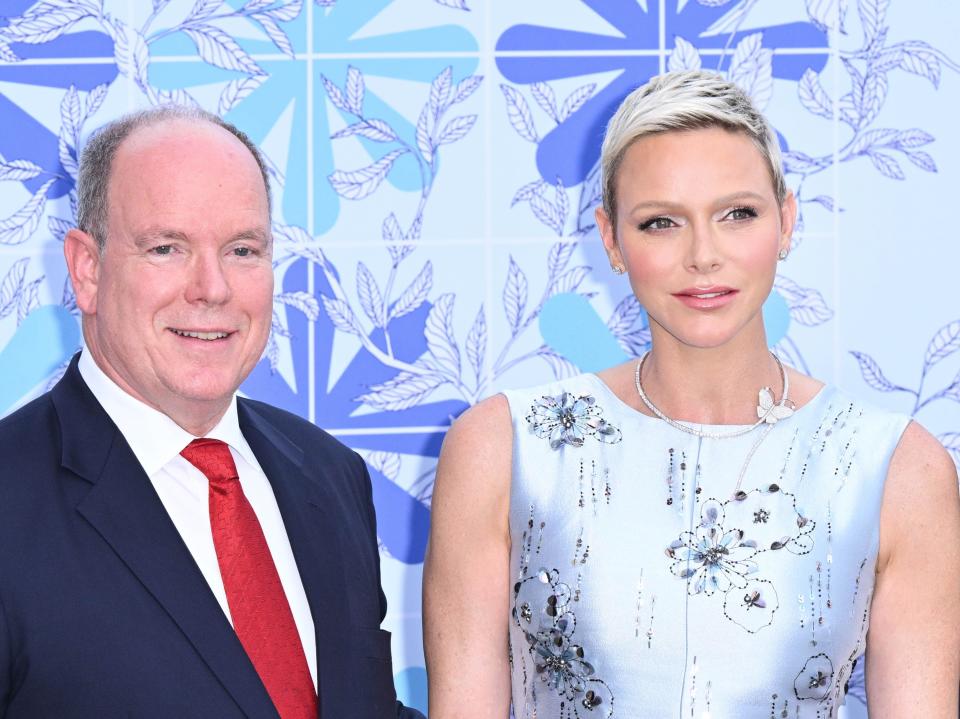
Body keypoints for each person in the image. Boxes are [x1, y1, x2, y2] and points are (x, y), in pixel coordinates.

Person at [423, 70, 960, 717]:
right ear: (611, 240)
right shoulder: (506, 448)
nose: (704, 254)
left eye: (737, 214)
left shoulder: (894, 467)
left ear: (786, 222)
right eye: (660, 222)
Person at [0, 106, 423, 719]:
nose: (212, 287)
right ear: (87, 271)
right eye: (166, 247)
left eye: (242, 249)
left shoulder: (331, 475)